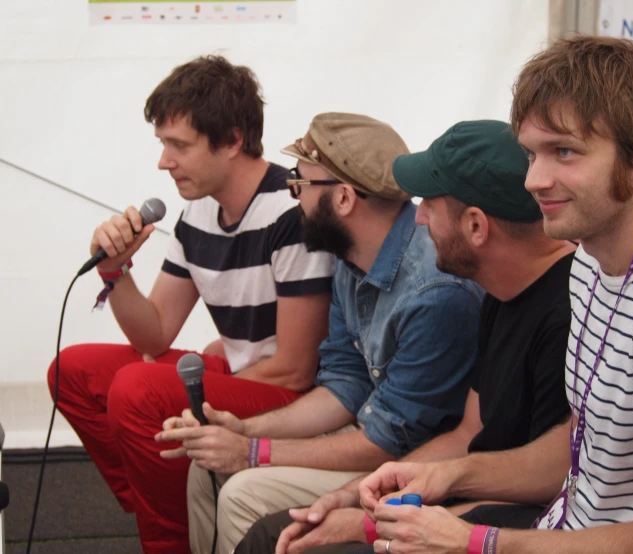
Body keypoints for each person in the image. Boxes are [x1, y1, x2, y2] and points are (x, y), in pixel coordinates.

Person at [355, 36, 633, 554]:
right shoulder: (588, 261)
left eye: (564, 152)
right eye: (531, 153)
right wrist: (449, 475)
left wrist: (476, 540)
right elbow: (579, 451)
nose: (535, 179)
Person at [235, 119, 577, 554]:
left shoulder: (566, 311)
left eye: (430, 204)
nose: (417, 215)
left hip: (514, 528)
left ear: (476, 226)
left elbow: (554, 490)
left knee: (290, 539)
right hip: (474, 505)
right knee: (274, 534)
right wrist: (357, 493)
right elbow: (467, 434)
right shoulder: (501, 290)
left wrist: (376, 524)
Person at [156, 112, 485, 554]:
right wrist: (244, 431)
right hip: (380, 440)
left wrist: (250, 451)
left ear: (345, 198)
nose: (294, 197)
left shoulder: (435, 291)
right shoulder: (352, 255)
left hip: (419, 464)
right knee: (207, 468)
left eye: (299, 183)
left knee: (241, 493)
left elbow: (387, 441)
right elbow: (344, 385)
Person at [47, 55, 335, 554]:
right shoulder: (197, 213)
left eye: (178, 145)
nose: (163, 161)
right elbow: (154, 334)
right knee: (72, 371)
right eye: (163, 144)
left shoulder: (291, 210)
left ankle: (172, 540)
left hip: (295, 396)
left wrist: (189, 391)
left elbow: (293, 370)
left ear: (231, 141)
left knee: (139, 388)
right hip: (247, 378)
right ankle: (160, 502)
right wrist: (114, 270)